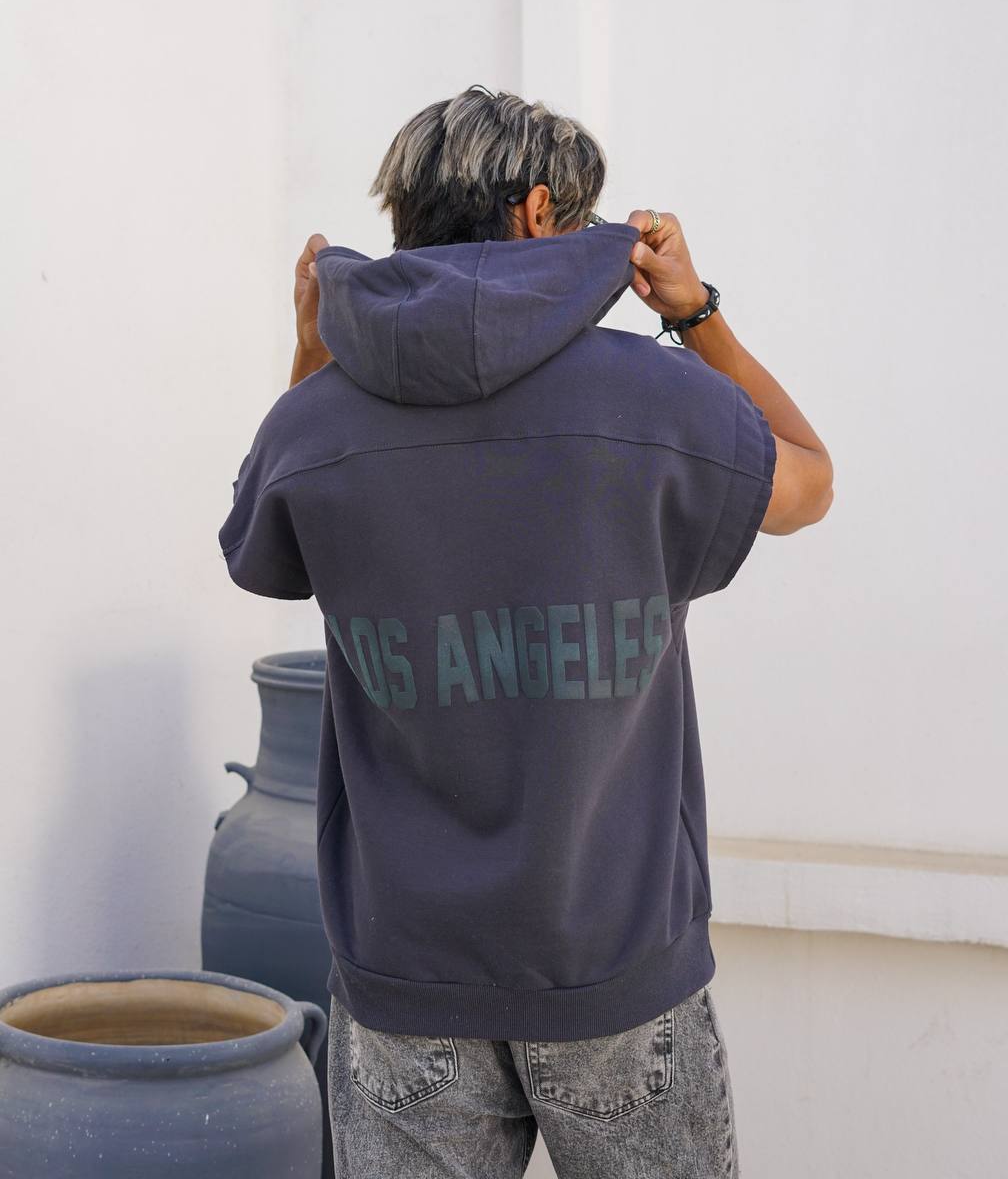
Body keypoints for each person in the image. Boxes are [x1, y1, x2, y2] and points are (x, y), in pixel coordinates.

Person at [219, 85, 833, 1178]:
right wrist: (696, 313)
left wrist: (312, 357)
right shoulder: (655, 398)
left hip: (405, 974)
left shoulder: (321, 420)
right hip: (615, 963)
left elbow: (262, 552)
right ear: (541, 210)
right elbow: (809, 482)